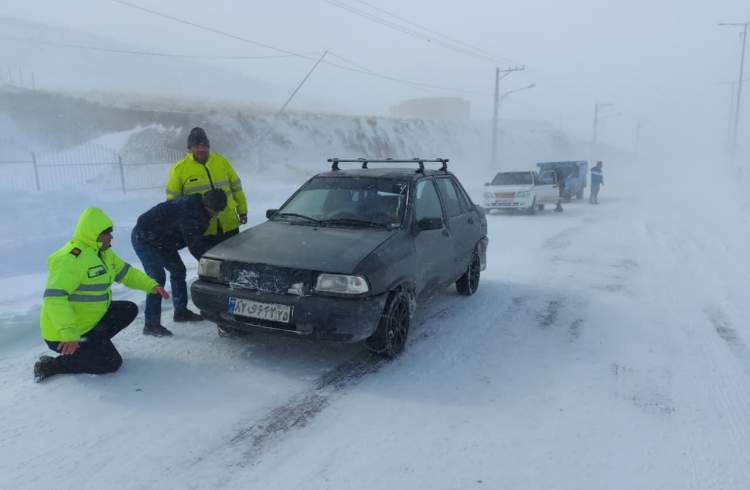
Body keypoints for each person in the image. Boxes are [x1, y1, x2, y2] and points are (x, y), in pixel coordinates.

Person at [34, 207, 168, 383]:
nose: (111, 236)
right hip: (62, 334)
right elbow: (54, 299)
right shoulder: (70, 259)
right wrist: (69, 333)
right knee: (110, 364)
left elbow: (126, 273)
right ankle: (50, 365)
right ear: (94, 234)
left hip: (87, 323)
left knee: (128, 309)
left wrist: (150, 285)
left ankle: (92, 344)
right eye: (107, 233)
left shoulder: (104, 253)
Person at [131, 189, 228, 337]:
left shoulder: (198, 207)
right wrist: (215, 270)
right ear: (207, 205)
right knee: (157, 278)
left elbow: (197, 240)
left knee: (178, 271)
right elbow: (196, 247)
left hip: (164, 241)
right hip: (144, 238)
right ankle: (151, 324)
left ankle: (181, 312)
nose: (216, 214)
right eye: (215, 211)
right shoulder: (191, 214)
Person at [165, 127, 248, 247]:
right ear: (190, 148)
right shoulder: (179, 169)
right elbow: (173, 201)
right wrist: (179, 225)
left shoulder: (221, 161)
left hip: (229, 223)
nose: (201, 149)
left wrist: (242, 211)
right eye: (196, 146)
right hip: (202, 228)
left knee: (234, 259)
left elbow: (236, 188)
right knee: (210, 263)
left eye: (204, 146)